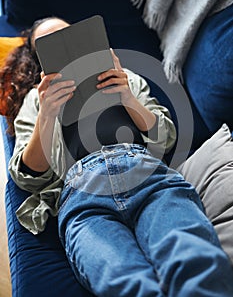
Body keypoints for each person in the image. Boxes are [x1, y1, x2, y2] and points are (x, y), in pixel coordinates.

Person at [1, 16, 233, 297]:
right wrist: (48, 114)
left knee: (194, 261)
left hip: (146, 176)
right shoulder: (36, 100)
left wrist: (127, 97)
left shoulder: (125, 77)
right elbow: (27, 175)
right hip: (82, 195)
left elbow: (166, 136)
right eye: (48, 45)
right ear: (40, 60)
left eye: (68, 34)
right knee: (124, 281)